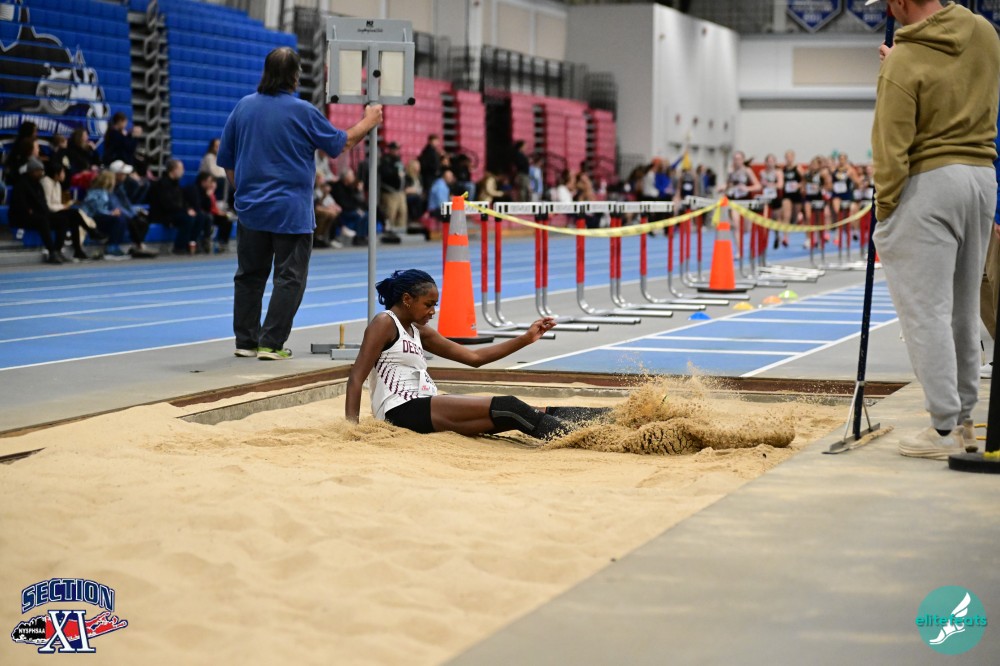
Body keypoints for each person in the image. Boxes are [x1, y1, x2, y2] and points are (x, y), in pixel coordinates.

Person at [871, 0, 999, 459]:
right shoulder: (984, 33)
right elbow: (961, 80)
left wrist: (885, 209)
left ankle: (943, 427)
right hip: (981, 178)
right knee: (963, 310)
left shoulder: (903, 61)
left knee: (926, 312)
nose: (889, 11)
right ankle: (963, 423)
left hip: (930, 184)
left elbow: (891, 147)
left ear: (902, 2)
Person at [217, 46, 382, 360]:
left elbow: (227, 162)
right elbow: (341, 143)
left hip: (251, 210)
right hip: (290, 212)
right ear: (295, 76)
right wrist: (368, 120)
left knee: (249, 276)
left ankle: (246, 342)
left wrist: (246, 193)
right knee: (290, 277)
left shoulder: (243, 107)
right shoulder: (303, 111)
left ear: (266, 72)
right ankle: (271, 343)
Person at [345, 269, 608, 437]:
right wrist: (351, 430)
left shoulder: (419, 331)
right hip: (401, 410)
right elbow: (356, 377)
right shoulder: (384, 323)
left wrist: (526, 338)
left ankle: (610, 419)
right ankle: (588, 439)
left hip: (426, 403)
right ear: (406, 299)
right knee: (509, 406)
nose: (433, 311)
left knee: (521, 413)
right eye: (428, 305)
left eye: (435, 305)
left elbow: (475, 358)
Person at [9, 157, 78, 264]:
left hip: (39, 214)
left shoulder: (37, 184)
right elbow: (19, 204)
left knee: (62, 220)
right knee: (42, 220)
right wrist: (29, 210)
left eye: (42, 170)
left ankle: (57, 250)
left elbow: (43, 203)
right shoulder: (21, 185)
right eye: (39, 171)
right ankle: (51, 252)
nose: (41, 173)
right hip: (23, 217)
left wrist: (45, 212)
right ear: (32, 171)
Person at [42, 161, 106, 260]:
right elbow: (48, 205)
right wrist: (63, 207)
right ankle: (90, 233)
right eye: (62, 172)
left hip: (56, 210)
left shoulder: (57, 184)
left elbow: (56, 203)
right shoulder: (46, 183)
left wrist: (63, 206)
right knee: (72, 215)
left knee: (74, 216)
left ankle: (78, 249)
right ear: (56, 173)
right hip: (47, 213)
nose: (64, 174)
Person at [148, 159, 199, 255]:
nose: (183, 171)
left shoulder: (176, 184)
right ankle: (179, 247)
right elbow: (167, 204)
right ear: (174, 170)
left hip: (174, 212)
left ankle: (192, 244)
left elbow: (181, 201)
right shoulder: (162, 184)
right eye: (181, 169)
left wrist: (188, 209)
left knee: (200, 216)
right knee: (187, 219)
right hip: (164, 214)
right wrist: (185, 211)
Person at [330, 168, 368, 245]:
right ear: (346, 178)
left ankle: (362, 236)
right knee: (362, 216)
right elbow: (343, 204)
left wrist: (358, 191)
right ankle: (358, 238)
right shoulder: (338, 187)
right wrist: (356, 209)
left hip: (351, 209)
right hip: (343, 211)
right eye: (352, 176)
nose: (354, 178)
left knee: (367, 214)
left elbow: (359, 201)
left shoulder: (351, 187)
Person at [378, 141, 407, 240]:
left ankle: (400, 232)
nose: (396, 151)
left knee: (402, 212)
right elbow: (385, 173)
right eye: (395, 149)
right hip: (390, 192)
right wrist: (395, 173)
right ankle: (389, 232)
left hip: (400, 192)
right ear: (390, 150)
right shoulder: (386, 160)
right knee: (391, 213)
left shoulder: (398, 160)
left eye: (397, 149)